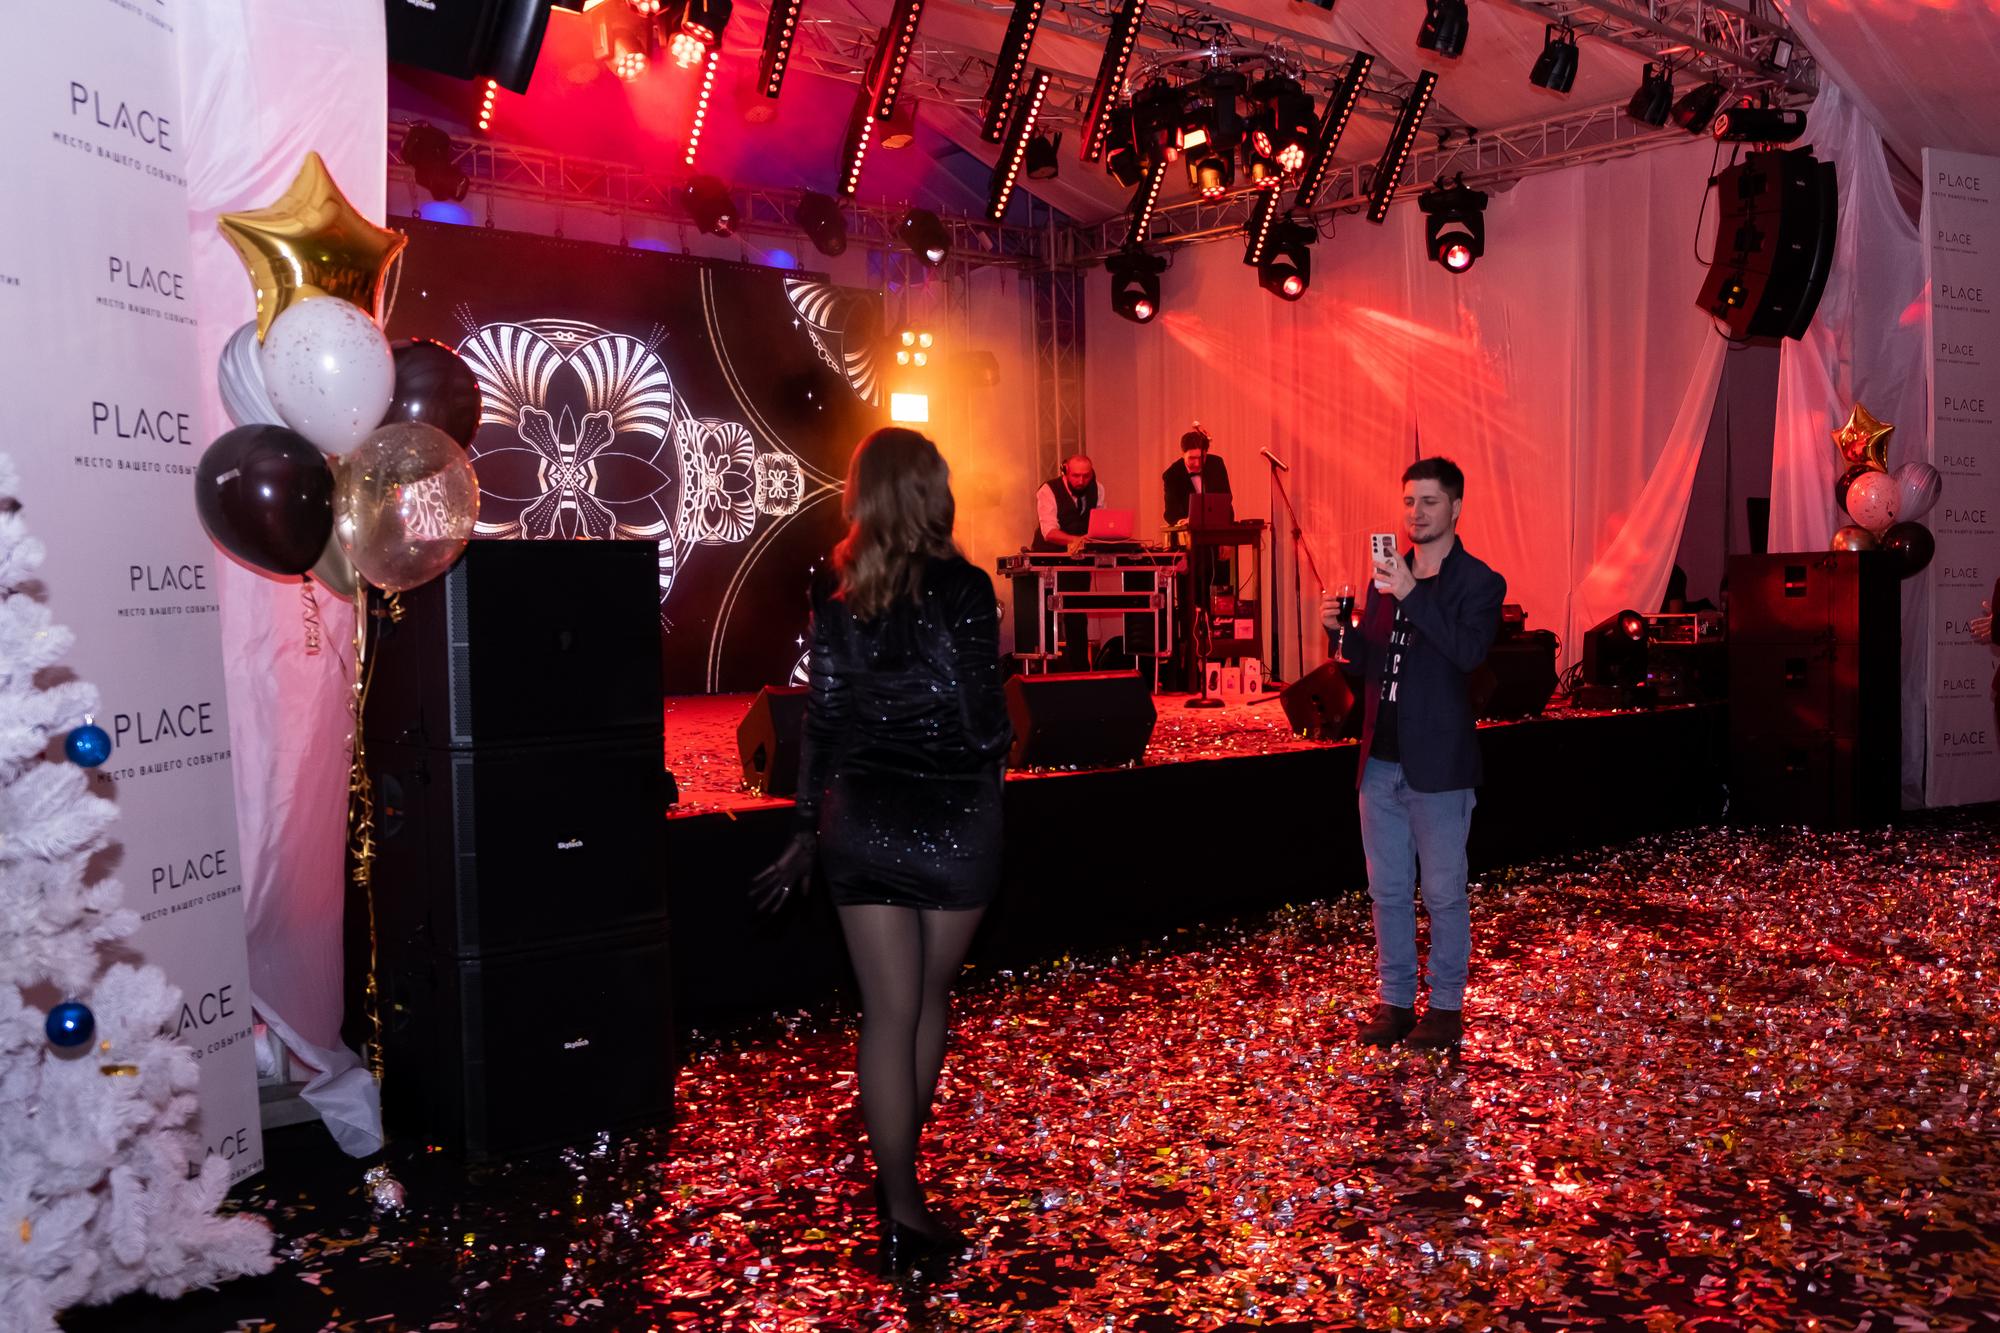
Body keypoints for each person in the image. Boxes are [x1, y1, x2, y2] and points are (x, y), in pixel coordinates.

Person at [751, 428, 1011, 1276]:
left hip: (861, 819)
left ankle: (899, 1199)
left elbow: (822, 721)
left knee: (888, 1011)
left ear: (863, 495)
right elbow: (983, 722)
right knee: (926, 999)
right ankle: (903, 1197)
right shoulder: (966, 589)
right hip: (954, 816)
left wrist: (803, 827)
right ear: (932, 492)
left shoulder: (838, 596)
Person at [1322, 456, 1505, 1051]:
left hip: (1440, 766)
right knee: (1389, 893)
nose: (1416, 513)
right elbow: (1370, 663)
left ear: (1455, 508)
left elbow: (1468, 653)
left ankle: (1445, 1009)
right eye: (1408, 501)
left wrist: (1410, 593)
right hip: (1379, 762)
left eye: (1429, 502)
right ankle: (1396, 1001)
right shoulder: (1387, 573)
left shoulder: (1479, 582)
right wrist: (1340, 633)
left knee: (1445, 894)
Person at [1033, 453, 1105, 553]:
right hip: (1050, 554)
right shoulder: (1048, 490)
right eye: (1076, 476)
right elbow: (1049, 532)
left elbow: (1099, 524)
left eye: (1086, 476)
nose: (1081, 481)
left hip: (1083, 555)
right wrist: (1079, 541)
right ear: (1065, 472)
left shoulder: (1098, 489)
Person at [1162, 425, 1230, 525]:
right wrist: (1182, 521)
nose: (1197, 463)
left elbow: (1226, 497)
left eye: (1202, 457)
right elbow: (1171, 512)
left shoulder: (1216, 463)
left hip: (1219, 524)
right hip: (1189, 530)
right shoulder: (1172, 475)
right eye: (1192, 458)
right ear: (1182, 454)